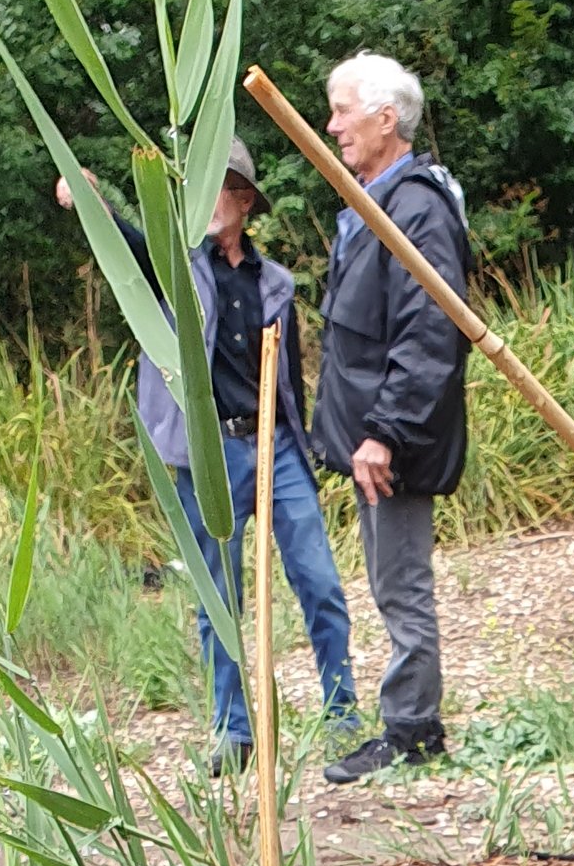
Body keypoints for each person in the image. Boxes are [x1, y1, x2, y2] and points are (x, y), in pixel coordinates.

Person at [57, 142, 356, 771]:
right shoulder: (176, 268)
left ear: (243, 202)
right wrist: (92, 200)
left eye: (218, 188)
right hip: (207, 451)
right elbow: (131, 245)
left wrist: (311, 448)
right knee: (218, 597)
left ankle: (342, 716)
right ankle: (234, 732)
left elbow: (295, 383)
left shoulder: (274, 282)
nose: (204, 200)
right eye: (196, 188)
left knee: (320, 583)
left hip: (275, 444)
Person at [312, 51, 470, 783]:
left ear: (385, 118)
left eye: (343, 110)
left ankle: (412, 731)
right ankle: (408, 723)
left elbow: (429, 331)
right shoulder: (372, 201)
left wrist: (384, 433)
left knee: (402, 584)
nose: (332, 124)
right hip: (374, 436)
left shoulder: (416, 208)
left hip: (393, 440)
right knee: (387, 580)